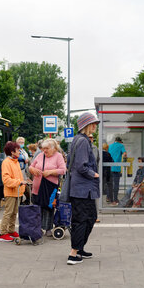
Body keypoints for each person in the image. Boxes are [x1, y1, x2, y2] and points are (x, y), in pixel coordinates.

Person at [67, 112, 99, 265]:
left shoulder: (77, 140)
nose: (95, 126)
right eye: (93, 123)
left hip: (82, 188)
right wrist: (94, 174)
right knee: (81, 220)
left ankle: (79, 248)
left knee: (90, 217)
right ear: (86, 125)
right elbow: (81, 166)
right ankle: (73, 253)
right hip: (82, 189)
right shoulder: (83, 141)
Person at [29, 139, 66, 237]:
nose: (44, 150)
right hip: (37, 187)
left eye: (47, 148)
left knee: (49, 207)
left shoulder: (58, 156)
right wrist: (33, 169)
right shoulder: (40, 155)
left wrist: (50, 172)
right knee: (37, 207)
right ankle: (38, 228)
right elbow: (31, 166)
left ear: (54, 149)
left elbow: (63, 170)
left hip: (50, 187)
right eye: (43, 148)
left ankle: (48, 228)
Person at [0, 141, 27, 242]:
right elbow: (6, 179)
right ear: (12, 151)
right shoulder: (7, 162)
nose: (20, 152)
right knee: (8, 212)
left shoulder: (15, 161)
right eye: (18, 150)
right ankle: (3, 233)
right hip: (11, 191)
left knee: (14, 213)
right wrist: (19, 182)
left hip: (17, 191)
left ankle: (11, 230)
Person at [108, 137, 127, 205]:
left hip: (109, 168)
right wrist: (125, 159)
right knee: (116, 184)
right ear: (120, 141)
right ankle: (115, 199)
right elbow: (124, 154)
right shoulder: (121, 145)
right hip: (116, 168)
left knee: (110, 184)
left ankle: (109, 198)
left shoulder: (110, 146)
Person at [88, 134, 100, 221]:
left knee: (94, 195)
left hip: (93, 175)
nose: (91, 139)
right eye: (89, 137)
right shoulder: (81, 147)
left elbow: (95, 160)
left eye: (92, 137)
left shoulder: (94, 148)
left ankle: (95, 216)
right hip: (86, 174)